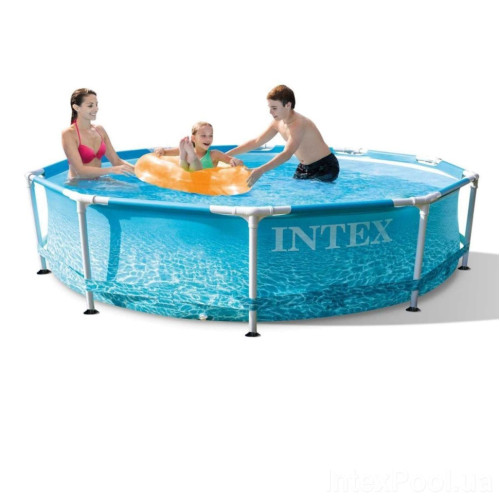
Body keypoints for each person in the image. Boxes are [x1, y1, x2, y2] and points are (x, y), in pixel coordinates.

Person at [226, 85, 339, 187]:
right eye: (270, 107)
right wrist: (226, 155)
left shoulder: (299, 124)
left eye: (274, 108)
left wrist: (260, 170)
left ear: (288, 105)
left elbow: (287, 154)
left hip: (325, 167)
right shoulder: (277, 122)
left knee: (311, 193)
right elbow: (257, 142)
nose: (270, 112)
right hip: (304, 167)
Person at [62, 88, 135, 180]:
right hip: (78, 183)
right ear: (76, 108)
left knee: (135, 187)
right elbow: (80, 171)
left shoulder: (99, 130)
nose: (96, 109)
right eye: (90, 106)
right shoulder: (69, 134)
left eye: (96, 104)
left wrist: (142, 172)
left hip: (98, 181)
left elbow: (116, 161)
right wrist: (111, 170)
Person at [154, 122, 243, 171]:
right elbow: (164, 152)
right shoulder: (186, 148)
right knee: (184, 166)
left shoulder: (214, 154)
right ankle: (183, 156)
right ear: (193, 138)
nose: (208, 139)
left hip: (202, 181)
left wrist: (235, 161)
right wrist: (161, 150)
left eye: (210, 135)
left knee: (195, 166)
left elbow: (231, 160)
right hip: (186, 179)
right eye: (203, 136)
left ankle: (190, 157)